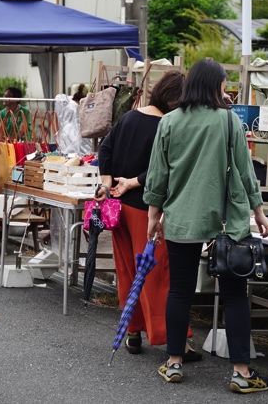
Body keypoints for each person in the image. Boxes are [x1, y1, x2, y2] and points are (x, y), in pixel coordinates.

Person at [144, 58, 268, 394]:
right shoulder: (229, 122)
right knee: (234, 296)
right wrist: (258, 212)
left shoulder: (169, 122)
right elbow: (245, 172)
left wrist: (153, 216)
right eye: (223, 83)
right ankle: (241, 372)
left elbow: (159, 175)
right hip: (226, 221)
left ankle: (173, 363)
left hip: (182, 216)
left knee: (180, 290)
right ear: (215, 85)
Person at [96, 70, 196, 357]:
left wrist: (108, 182)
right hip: (146, 208)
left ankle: (133, 331)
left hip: (119, 208)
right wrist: (136, 181)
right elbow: (166, 168)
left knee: (127, 270)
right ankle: (174, 339)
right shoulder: (169, 124)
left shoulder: (130, 116)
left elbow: (105, 150)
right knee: (157, 274)